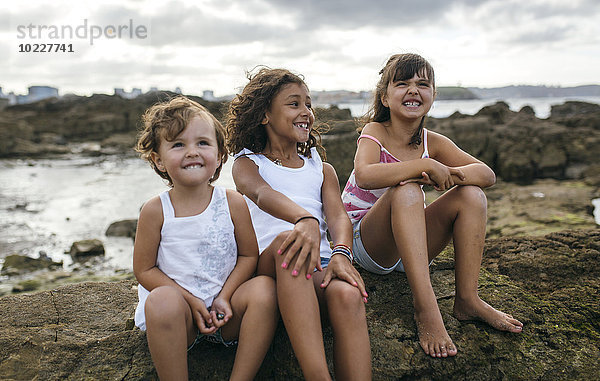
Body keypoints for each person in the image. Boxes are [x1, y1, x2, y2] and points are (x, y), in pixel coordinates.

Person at [342, 53, 523, 358]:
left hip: (412, 248)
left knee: (472, 195)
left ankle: (467, 299)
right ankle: (425, 306)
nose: (413, 90)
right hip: (368, 244)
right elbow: (365, 174)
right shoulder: (374, 132)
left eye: (423, 84)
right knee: (407, 190)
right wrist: (421, 166)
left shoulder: (433, 141)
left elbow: (486, 174)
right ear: (385, 97)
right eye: (402, 84)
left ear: (433, 96)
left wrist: (448, 173)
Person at [226, 68, 372, 380]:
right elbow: (262, 194)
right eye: (294, 104)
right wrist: (302, 219)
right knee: (286, 241)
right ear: (265, 114)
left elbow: (337, 218)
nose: (306, 112)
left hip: (317, 268)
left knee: (346, 295)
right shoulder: (248, 164)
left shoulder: (321, 168)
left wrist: (341, 254)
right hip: (269, 266)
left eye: (308, 104)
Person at [133, 96, 278, 380]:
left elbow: (249, 256)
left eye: (203, 143)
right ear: (158, 160)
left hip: (228, 312)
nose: (192, 152)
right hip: (181, 318)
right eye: (178, 144)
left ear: (221, 155)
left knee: (264, 288)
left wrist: (224, 297)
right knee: (161, 301)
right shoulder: (155, 210)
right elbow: (144, 270)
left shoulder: (233, 202)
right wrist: (189, 301)